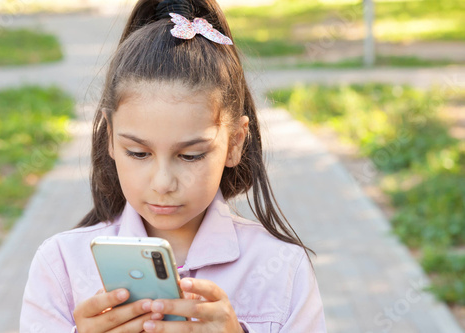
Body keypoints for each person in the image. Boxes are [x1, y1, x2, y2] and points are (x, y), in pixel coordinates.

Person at [20, 0, 327, 332]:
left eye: (191, 155)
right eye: (138, 153)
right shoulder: (60, 265)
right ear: (110, 138)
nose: (163, 183)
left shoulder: (283, 269)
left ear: (235, 142)